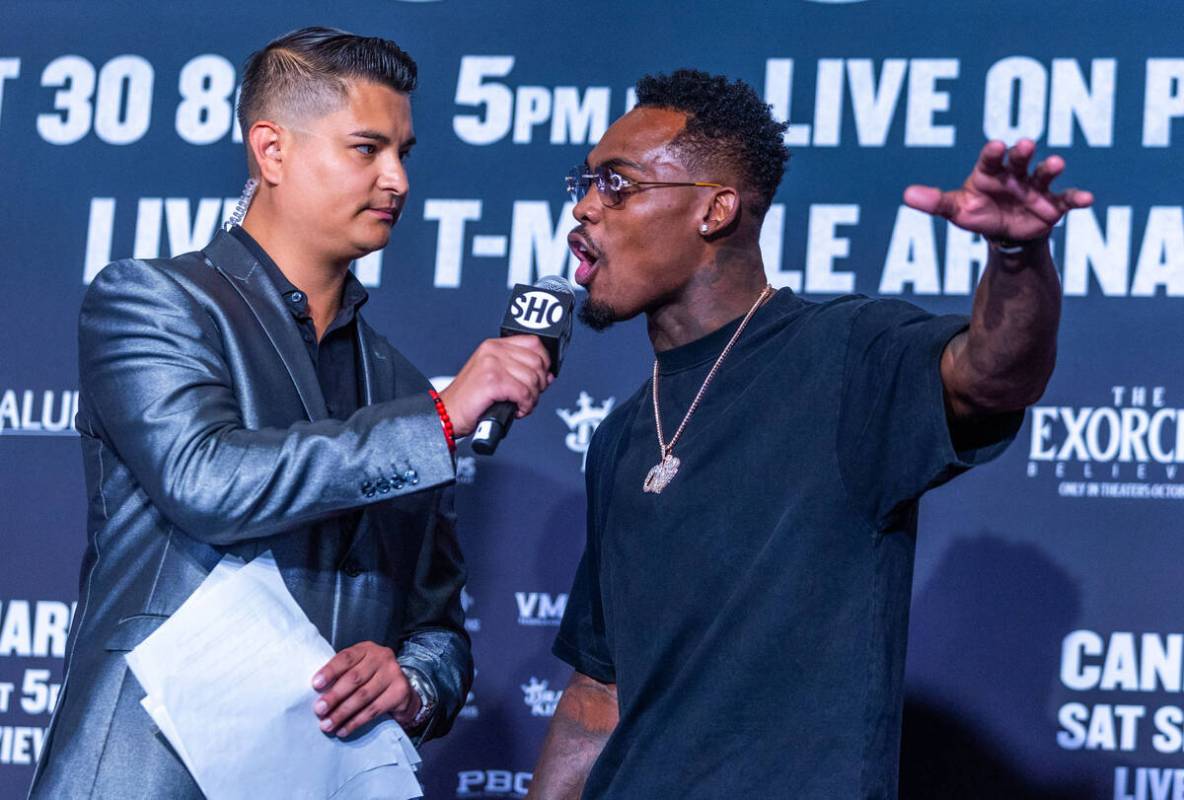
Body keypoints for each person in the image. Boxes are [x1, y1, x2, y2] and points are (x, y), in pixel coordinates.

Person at [528, 69, 1092, 800]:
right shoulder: (623, 433)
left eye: (617, 184)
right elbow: (595, 694)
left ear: (716, 210)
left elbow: (993, 374)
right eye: (586, 182)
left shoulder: (847, 355)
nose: (584, 209)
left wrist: (1017, 258)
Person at [28, 27, 553, 799]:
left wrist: (410, 682)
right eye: (366, 149)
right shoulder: (151, 301)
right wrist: (439, 421)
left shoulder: (401, 385)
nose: (397, 180)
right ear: (271, 151)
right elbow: (206, 480)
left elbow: (436, 624)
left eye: (405, 152)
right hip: (151, 773)